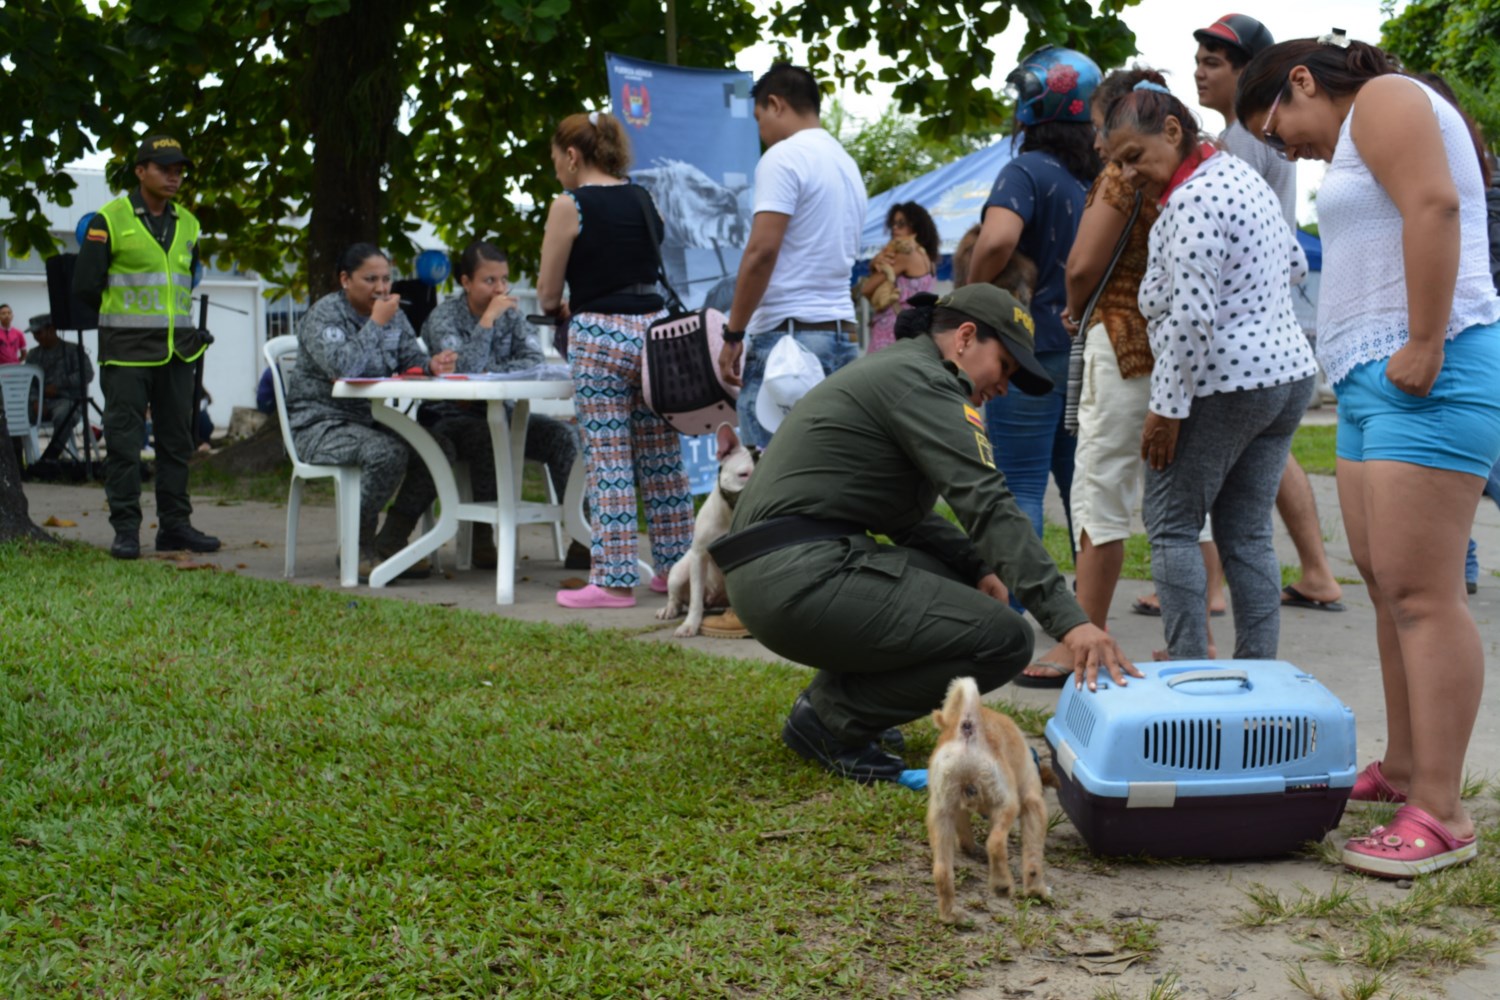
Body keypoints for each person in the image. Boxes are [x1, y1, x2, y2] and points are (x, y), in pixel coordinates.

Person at [1236, 34, 1500, 878]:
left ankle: (1445, 815)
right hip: (1369, 376)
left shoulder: (1387, 100)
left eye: (1277, 129)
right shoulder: (1359, 131)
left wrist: (1424, 341)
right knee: (1387, 589)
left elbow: (1435, 207)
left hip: (1431, 363)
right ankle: (1409, 769)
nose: (1286, 150)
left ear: (1302, 81)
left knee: (1423, 595)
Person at [714, 284, 1139, 783]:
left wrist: (979, 567)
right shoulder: (925, 383)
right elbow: (987, 503)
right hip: (792, 574)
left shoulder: (904, 372)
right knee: (1002, 639)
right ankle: (833, 717)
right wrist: (1071, 621)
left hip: (779, 571)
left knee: (959, 586)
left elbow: (904, 518)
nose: (1005, 386)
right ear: (964, 337)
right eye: (1005, 366)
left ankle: (838, 704)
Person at [1104, 79, 1316, 661]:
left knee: (1171, 525)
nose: (1126, 175)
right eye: (1117, 163)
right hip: (1287, 374)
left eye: (1133, 158)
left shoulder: (1195, 198)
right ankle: (1258, 671)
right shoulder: (1241, 176)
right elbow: (1295, 262)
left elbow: (1192, 320)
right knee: (1246, 530)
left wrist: (1166, 411)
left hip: (1226, 382)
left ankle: (1189, 668)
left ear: (1173, 132)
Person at [1016, 68, 1165, 686]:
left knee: (1097, 492)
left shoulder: (1120, 173)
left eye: (1101, 126)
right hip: (1175, 350)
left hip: (1122, 343)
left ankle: (1083, 637)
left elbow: (1081, 263)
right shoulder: (1191, 167)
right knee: (1175, 503)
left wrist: (1076, 306)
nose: (1099, 143)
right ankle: (1192, 640)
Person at [537, 111, 694, 609]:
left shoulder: (569, 204)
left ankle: (613, 581)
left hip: (599, 336)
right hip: (653, 335)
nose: (558, 169)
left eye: (557, 159)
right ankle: (677, 570)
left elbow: (545, 293)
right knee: (662, 458)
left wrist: (560, 306)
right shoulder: (645, 199)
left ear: (573, 155)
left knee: (610, 460)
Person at [967, 46, 1102, 554]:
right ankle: (1086, 610)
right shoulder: (1094, 178)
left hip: (1028, 351)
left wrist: (969, 298)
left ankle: (1018, 606)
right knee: (1079, 486)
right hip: (1086, 351)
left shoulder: (1024, 172)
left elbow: (998, 239)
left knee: (1020, 481)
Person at [73, 134, 218, 560]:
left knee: (177, 443)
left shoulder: (189, 223)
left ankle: (175, 526)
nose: (174, 177)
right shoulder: (110, 219)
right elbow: (84, 286)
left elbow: (189, 277)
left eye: (179, 170)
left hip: (178, 352)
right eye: (164, 168)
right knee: (123, 443)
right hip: (126, 351)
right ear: (140, 171)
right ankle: (126, 531)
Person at [284, 243, 458, 578]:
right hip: (320, 425)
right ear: (345, 280)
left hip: (370, 419)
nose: (381, 288)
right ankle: (357, 547)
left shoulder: (393, 314)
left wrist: (433, 364)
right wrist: (376, 324)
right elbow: (343, 368)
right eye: (370, 279)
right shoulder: (325, 315)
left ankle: (391, 542)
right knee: (386, 453)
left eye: (386, 278)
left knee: (439, 449)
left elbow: (412, 360)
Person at [716, 63, 867, 448]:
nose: (760, 131)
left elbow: (762, 251)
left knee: (773, 488)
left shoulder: (783, 158)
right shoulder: (847, 165)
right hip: (842, 338)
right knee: (830, 479)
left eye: (758, 118)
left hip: (788, 345)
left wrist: (734, 332)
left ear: (775, 103)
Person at [420, 239, 579, 570]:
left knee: (561, 436)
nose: (500, 288)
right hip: (451, 417)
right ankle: (481, 537)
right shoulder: (443, 318)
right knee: (486, 436)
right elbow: (464, 372)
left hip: (507, 415)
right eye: (489, 280)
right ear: (465, 282)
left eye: (503, 280)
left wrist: (492, 368)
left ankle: (583, 534)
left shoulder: (511, 314)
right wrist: (487, 321)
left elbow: (532, 359)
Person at [860, 201, 937, 352]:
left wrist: (875, 264)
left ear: (916, 226)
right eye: (893, 223)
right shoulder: (928, 258)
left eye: (901, 224)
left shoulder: (905, 254)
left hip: (891, 329)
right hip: (916, 330)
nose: (895, 228)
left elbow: (867, 288)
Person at [25, 314, 93, 464]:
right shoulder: (33, 355)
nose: (36, 337)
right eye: (34, 334)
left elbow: (87, 374)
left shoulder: (72, 350)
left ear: (52, 330)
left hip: (67, 399)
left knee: (64, 414)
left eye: (39, 333)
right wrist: (35, 400)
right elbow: (28, 382)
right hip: (40, 402)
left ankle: (50, 456)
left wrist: (59, 385)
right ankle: (15, 461)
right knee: (11, 415)